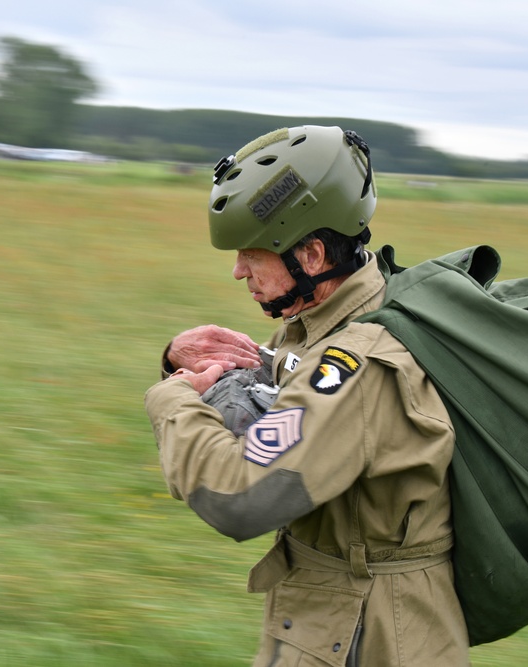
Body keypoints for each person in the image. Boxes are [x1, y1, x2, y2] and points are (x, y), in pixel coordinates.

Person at [144, 125, 469, 666]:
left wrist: (170, 401)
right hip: (336, 619)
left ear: (313, 255)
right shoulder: (319, 324)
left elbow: (242, 495)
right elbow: (261, 398)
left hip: (367, 636)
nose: (238, 271)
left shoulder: (354, 368)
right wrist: (181, 359)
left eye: (252, 253)